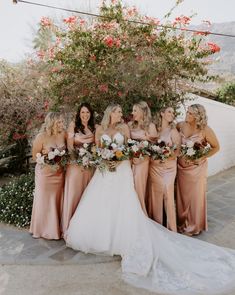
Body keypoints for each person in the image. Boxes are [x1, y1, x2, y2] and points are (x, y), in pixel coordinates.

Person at [65, 103, 235, 295]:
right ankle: (102, 236)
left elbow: (128, 148)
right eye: (119, 111)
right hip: (105, 171)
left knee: (123, 204)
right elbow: (97, 148)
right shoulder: (100, 129)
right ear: (110, 113)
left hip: (121, 170)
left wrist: (118, 159)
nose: (122, 114)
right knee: (101, 203)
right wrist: (105, 159)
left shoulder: (124, 128)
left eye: (123, 111)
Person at [176, 104, 220, 236]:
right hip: (181, 168)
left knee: (195, 197)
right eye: (187, 112)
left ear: (197, 116)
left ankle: (194, 225)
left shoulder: (205, 130)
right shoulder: (181, 125)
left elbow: (216, 147)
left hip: (197, 168)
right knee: (182, 197)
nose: (186, 115)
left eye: (190, 113)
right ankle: (182, 223)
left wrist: (200, 157)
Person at [30, 112, 66, 240]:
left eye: (62, 122)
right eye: (59, 122)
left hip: (59, 173)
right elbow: (35, 156)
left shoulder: (63, 134)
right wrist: (46, 159)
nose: (62, 124)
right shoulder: (41, 137)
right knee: (44, 201)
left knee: (56, 200)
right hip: (45, 174)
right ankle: (41, 229)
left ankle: (55, 229)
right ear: (52, 123)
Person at [61, 103, 95, 236]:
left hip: (89, 166)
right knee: (74, 194)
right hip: (75, 166)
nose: (85, 115)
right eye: (82, 112)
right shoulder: (72, 126)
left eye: (87, 112)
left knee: (86, 195)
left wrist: (89, 157)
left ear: (90, 114)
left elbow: (95, 146)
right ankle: (69, 228)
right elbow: (69, 147)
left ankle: (83, 229)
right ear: (79, 114)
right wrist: (78, 159)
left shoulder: (94, 127)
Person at [148, 107, 181, 232]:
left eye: (173, 112)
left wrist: (167, 155)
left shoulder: (173, 131)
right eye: (169, 111)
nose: (172, 114)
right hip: (154, 167)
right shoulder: (156, 130)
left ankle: (172, 229)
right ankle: (157, 227)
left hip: (168, 168)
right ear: (162, 113)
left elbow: (178, 150)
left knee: (168, 193)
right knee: (155, 196)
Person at [128, 101, 157, 215]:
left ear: (143, 111)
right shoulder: (130, 125)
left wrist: (142, 157)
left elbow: (153, 146)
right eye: (133, 110)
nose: (132, 113)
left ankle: (139, 214)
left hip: (143, 161)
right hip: (130, 160)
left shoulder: (150, 126)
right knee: (129, 186)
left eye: (135, 110)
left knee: (138, 187)